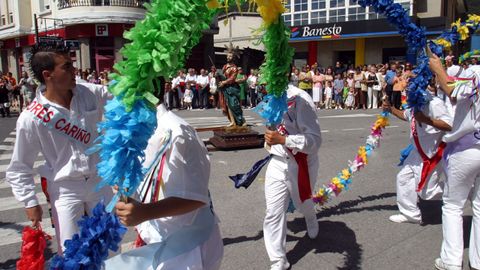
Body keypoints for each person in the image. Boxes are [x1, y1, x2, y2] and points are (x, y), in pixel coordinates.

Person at [6, 44, 113, 253]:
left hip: (99, 182)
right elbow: (19, 167)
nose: (75, 71)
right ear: (48, 75)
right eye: (67, 67)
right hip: (66, 190)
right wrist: (30, 202)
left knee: (108, 248)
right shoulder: (31, 117)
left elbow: (122, 97)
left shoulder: (89, 93)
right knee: (72, 253)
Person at [105, 92, 223, 270]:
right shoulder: (136, 128)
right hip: (156, 238)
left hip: (186, 248)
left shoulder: (177, 132)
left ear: (147, 87)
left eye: (127, 85)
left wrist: (145, 212)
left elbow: (196, 197)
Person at [429, 54, 480, 270]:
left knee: (452, 205)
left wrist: (438, 68)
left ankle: (451, 262)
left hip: (468, 147)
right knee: (479, 206)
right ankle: (477, 262)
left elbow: (452, 92)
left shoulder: (476, 72)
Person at [263, 83, 322, 270]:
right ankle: (278, 259)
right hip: (278, 161)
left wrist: (284, 139)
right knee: (273, 212)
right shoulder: (271, 95)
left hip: (301, 163)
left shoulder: (300, 99)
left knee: (303, 202)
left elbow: (315, 140)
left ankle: (310, 217)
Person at [383, 81, 451, 224]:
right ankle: (410, 214)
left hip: (432, 153)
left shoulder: (434, 103)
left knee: (428, 193)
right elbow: (406, 115)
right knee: (403, 179)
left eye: (411, 86)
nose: (407, 89)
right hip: (416, 152)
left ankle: (459, 190)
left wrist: (426, 120)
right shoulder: (415, 103)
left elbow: (449, 125)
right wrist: (391, 109)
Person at [218, 51, 246, 127]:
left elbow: (232, 78)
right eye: (227, 56)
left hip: (232, 88)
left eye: (230, 56)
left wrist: (224, 82)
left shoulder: (234, 68)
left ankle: (242, 120)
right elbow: (222, 75)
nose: (228, 57)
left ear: (233, 58)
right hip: (225, 88)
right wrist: (217, 75)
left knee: (234, 105)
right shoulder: (224, 66)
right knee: (228, 105)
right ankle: (232, 121)